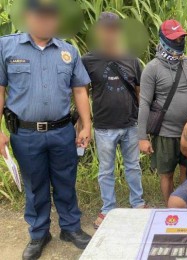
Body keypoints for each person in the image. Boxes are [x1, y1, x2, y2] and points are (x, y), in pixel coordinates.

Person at [0, 1, 92, 259]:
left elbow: (79, 90)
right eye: (40, 15)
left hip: (62, 132)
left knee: (66, 182)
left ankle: (70, 228)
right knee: (34, 185)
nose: (46, 21)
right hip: (25, 134)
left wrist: (86, 124)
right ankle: (39, 233)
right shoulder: (6, 47)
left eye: (51, 16)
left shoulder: (68, 51)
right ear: (29, 16)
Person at [82, 12, 146, 229]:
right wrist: (84, 124)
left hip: (129, 125)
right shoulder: (88, 60)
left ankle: (137, 204)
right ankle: (108, 208)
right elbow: (82, 93)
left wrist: (142, 125)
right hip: (103, 127)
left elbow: (140, 92)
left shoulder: (132, 59)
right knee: (106, 170)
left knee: (133, 167)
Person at [138, 20, 187, 205]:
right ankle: (170, 207)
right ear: (163, 40)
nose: (179, 42)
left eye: (182, 37)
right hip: (165, 133)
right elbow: (144, 103)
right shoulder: (152, 69)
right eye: (175, 38)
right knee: (166, 173)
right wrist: (141, 137)